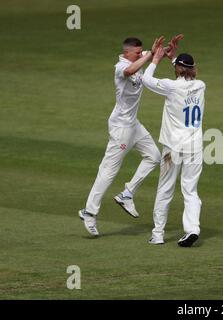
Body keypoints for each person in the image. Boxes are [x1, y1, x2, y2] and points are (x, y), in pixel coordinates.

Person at [78, 36, 181, 236]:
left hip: (133, 124)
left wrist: (168, 50)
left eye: (140, 52)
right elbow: (130, 71)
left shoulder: (139, 56)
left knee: (154, 156)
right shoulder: (120, 67)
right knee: (108, 170)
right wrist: (151, 55)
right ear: (127, 53)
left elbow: (155, 54)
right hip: (120, 128)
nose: (139, 54)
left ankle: (127, 194)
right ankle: (89, 212)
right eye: (136, 53)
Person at [142, 44, 206, 247]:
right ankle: (193, 229)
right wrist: (174, 58)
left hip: (174, 147)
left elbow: (146, 79)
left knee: (165, 189)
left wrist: (155, 59)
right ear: (193, 69)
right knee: (190, 190)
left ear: (177, 69)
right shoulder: (201, 86)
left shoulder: (171, 86)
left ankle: (158, 234)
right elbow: (185, 71)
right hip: (195, 145)